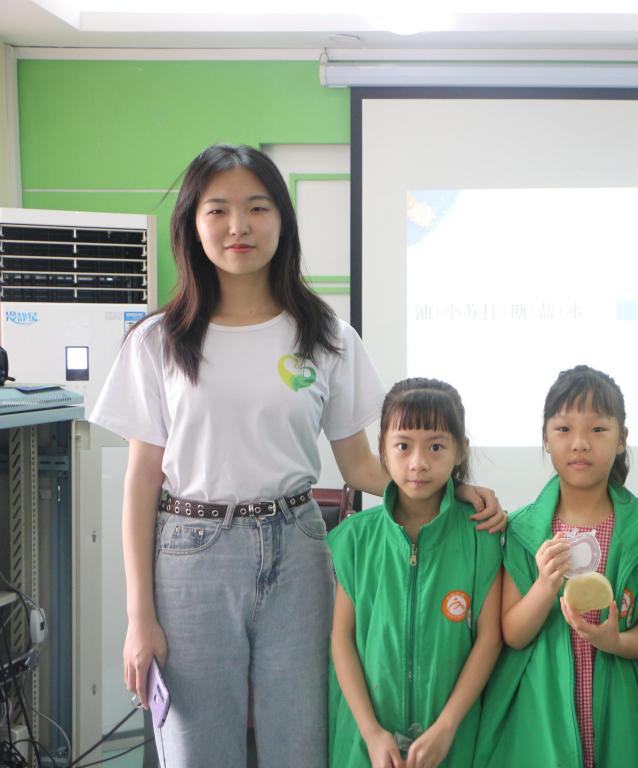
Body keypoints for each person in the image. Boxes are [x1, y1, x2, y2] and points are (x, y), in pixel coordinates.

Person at [89, 144, 503, 768]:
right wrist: (138, 616)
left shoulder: (326, 335)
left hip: (300, 550)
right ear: (192, 223)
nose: (239, 226)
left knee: (302, 748)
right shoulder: (158, 341)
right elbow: (142, 479)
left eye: (258, 208)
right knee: (199, 753)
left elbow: (359, 465)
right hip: (191, 556)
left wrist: (453, 488)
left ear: (282, 220)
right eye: (218, 210)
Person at [475, 365, 638, 768]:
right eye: (564, 429)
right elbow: (513, 634)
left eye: (598, 429)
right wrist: (544, 587)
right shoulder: (522, 530)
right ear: (545, 439)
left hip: (618, 714)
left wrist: (615, 641)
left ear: (622, 439)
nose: (580, 443)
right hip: (539, 717)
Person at [327, 378, 503, 768]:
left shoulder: (482, 538)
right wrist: (371, 733)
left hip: (454, 741)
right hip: (366, 744)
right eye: (403, 446)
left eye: (436, 447)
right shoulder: (355, 539)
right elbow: (341, 639)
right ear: (383, 449)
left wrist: (446, 727)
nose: (418, 462)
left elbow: (490, 639)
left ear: (460, 450)